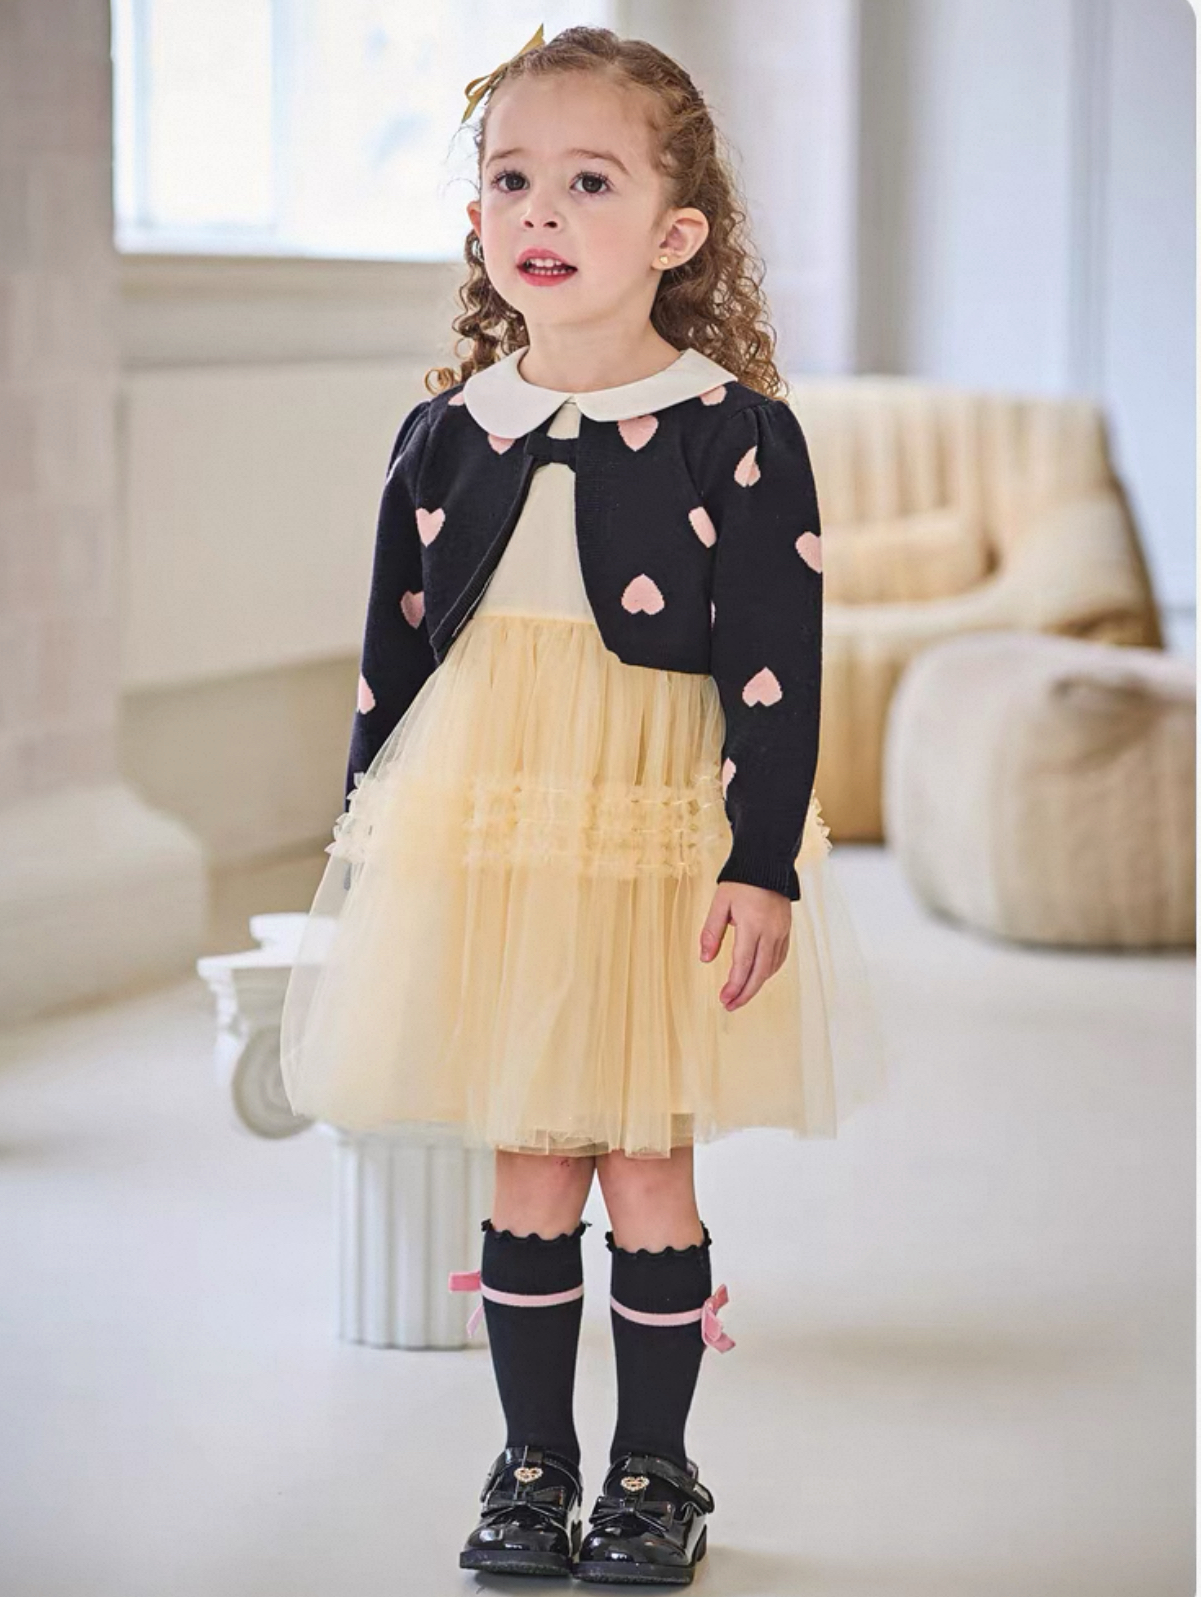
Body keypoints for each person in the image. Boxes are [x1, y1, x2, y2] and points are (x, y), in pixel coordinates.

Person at [279, 21, 886, 1586]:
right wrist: (368, 853)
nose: (537, 210)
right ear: (476, 215)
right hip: (491, 830)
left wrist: (760, 860)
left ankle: (655, 1469)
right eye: (509, 180)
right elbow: (392, 659)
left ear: (674, 235)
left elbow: (775, 665)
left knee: (644, 1157)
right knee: (530, 1157)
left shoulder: (734, 432)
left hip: (653, 826)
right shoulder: (447, 433)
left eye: (587, 182)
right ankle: (531, 1463)